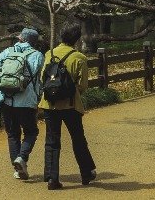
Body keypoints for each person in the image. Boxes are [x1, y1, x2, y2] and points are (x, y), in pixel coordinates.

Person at [39, 22, 97, 190]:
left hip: (49, 104)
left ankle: (52, 178)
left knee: (51, 140)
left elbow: (44, 77)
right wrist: (69, 92)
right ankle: (86, 173)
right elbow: (83, 85)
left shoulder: (49, 54)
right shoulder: (79, 57)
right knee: (78, 139)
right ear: (77, 39)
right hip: (71, 105)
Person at [0, 27, 45, 181]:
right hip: (27, 101)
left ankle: (17, 167)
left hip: (7, 99)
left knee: (13, 134)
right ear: (33, 42)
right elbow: (37, 75)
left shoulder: (8, 51)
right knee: (31, 132)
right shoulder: (38, 55)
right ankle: (22, 158)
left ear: (21, 38)